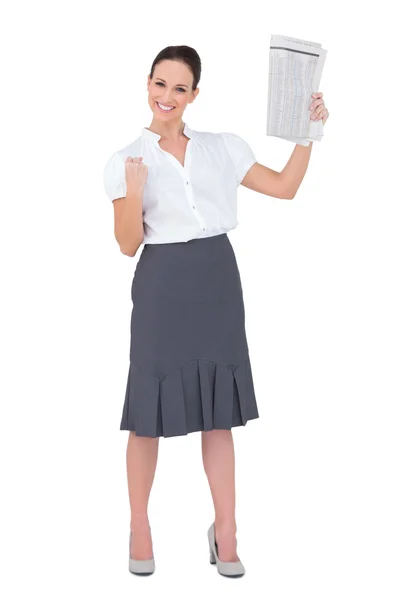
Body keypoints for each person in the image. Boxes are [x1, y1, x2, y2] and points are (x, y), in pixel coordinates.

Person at [103, 45, 329, 578]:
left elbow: (285, 188)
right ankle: (140, 526)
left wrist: (307, 135)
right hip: (161, 287)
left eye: (180, 88)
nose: (167, 96)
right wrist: (134, 194)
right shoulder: (125, 161)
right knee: (147, 415)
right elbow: (126, 244)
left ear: (194, 95)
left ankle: (225, 532)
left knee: (218, 415)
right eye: (160, 84)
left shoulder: (222, 148)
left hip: (217, 282)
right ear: (148, 84)